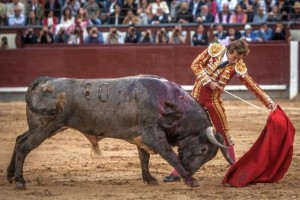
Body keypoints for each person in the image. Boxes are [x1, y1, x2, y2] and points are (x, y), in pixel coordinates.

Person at [163, 39, 277, 182]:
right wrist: (209, 82)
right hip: (194, 101)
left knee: (224, 133)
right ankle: (176, 173)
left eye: (239, 59)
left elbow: (251, 85)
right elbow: (195, 65)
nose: (235, 61)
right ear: (229, 51)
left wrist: (269, 103)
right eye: (234, 57)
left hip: (213, 101)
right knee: (187, 136)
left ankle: (234, 168)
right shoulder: (215, 50)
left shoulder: (238, 65)